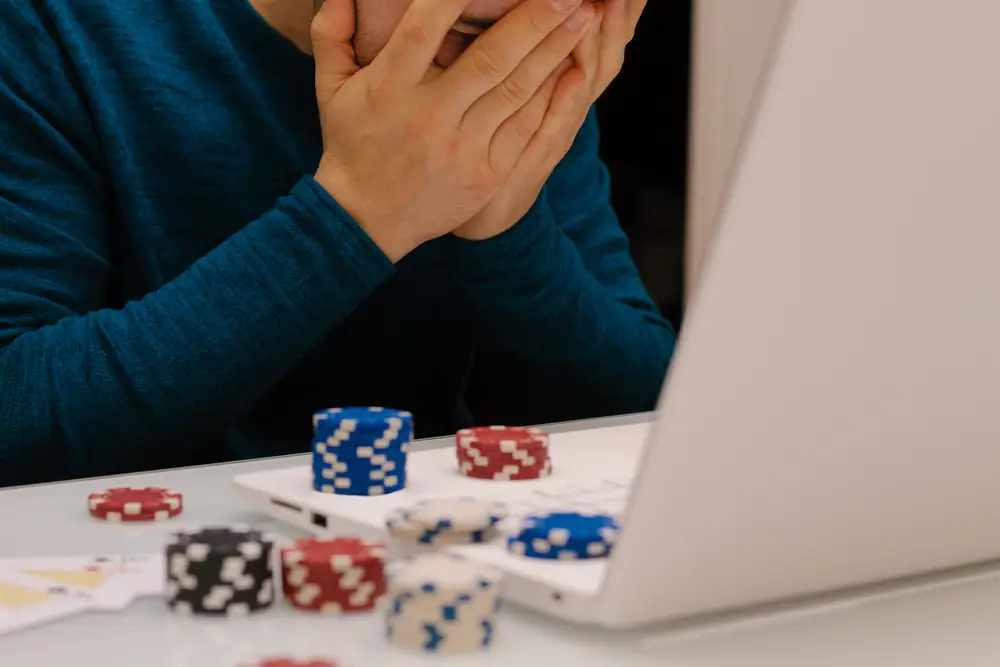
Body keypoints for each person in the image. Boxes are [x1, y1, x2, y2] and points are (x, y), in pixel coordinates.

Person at [0, 0, 675, 487]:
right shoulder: (54, 28)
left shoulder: (529, 47)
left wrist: (507, 232)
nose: (517, 44)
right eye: (468, 28)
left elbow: (651, 421)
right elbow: (17, 421)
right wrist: (355, 215)